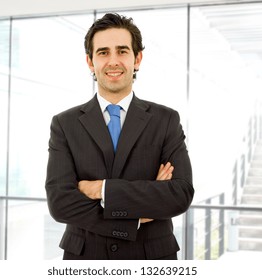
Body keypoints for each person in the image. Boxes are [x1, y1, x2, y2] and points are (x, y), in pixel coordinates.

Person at [45, 13, 194, 260]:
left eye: (122, 51)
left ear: (137, 59)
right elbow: (60, 203)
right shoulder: (64, 124)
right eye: (103, 52)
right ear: (90, 62)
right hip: (84, 259)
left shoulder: (166, 120)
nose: (113, 61)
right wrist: (135, 214)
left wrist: (100, 189)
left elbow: (179, 194)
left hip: (152, 259)